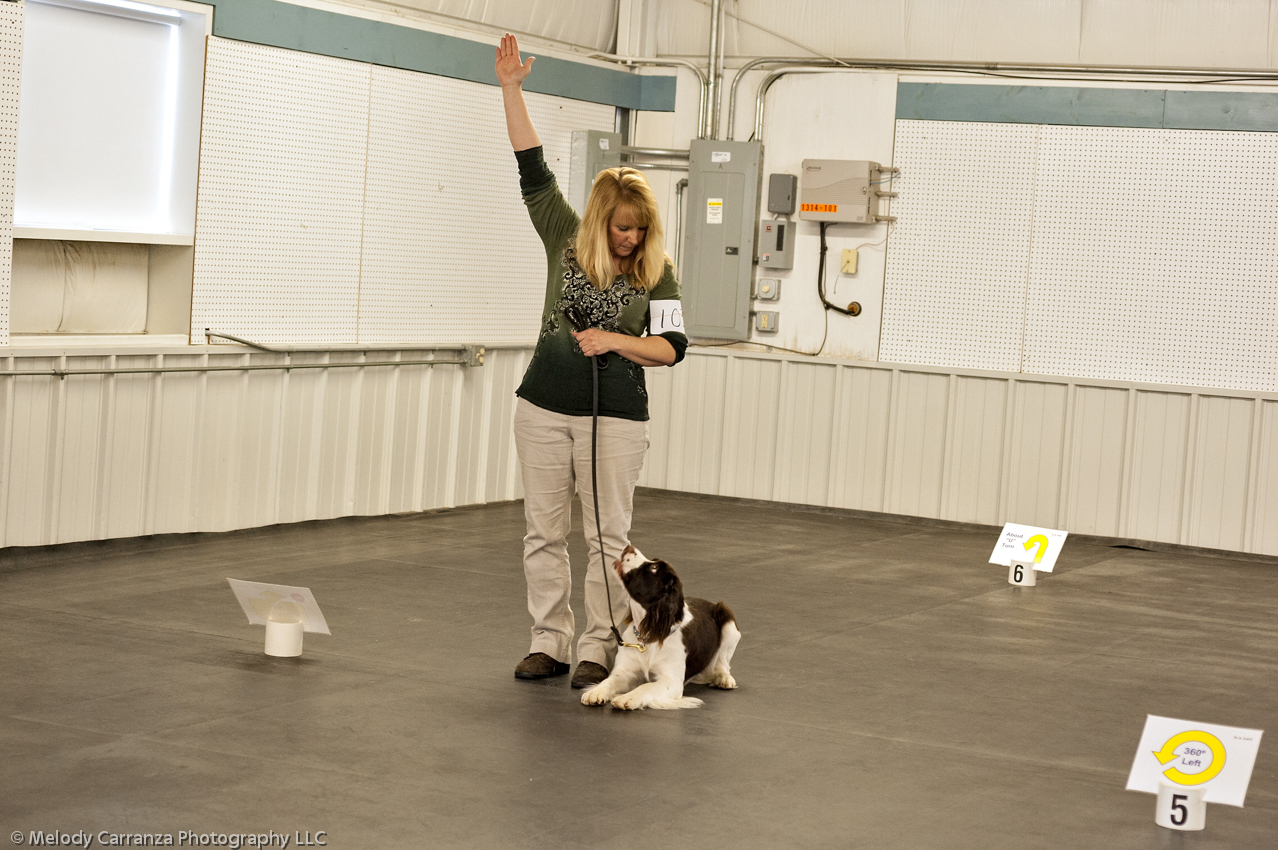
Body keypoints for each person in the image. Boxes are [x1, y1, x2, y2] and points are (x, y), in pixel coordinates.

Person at [495, 33, 688, 689]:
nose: (630, 238)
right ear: (602, 219)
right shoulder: (563, 236)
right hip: (543, 407)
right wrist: (511, 90)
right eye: (621, 226)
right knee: (543, 534)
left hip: (618, 419)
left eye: (640, 228)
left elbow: (671, 348)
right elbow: (532, 166)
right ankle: (547, 641)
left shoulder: (658, 274)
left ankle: (597, 647)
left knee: (608, 541)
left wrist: (615, 342)